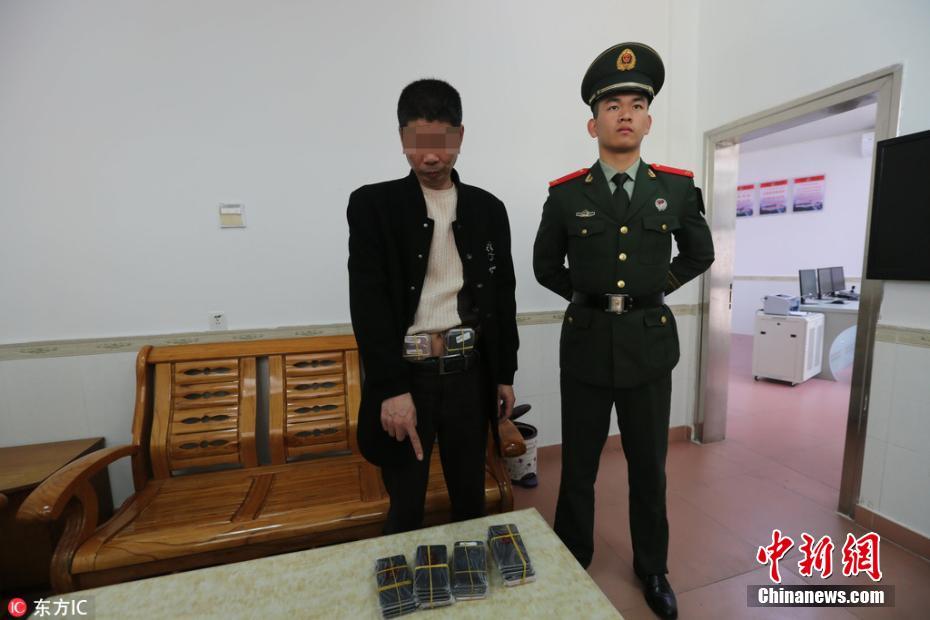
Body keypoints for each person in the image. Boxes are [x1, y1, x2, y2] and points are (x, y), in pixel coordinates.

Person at [533, 43, 715, 620]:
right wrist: (588, 298)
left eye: (637, 105)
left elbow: (701, 253)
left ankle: (652, 568)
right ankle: (573, 554)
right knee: (578, 467)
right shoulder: (567, 195)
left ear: (649, 121)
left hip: (648, 346)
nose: (625, 114)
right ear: (594, 123)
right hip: (586, 345)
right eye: (612, 106)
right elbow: (544, 266)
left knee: (649, 469)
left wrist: (654, 286)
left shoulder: (676, 188)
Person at [347, 78, 518, 534]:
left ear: (458, 137)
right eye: (417, 142)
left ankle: (467, 576)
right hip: (409, 378)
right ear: (402, 138)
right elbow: (368, 305)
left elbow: (502, 296)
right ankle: (405, 577)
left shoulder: (488, 209)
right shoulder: (373, 206)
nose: (429, 157)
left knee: (470, 499)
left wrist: (504, 373)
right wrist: (391, 389)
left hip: (470, 376)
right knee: (406, 506)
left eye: (440, 142)